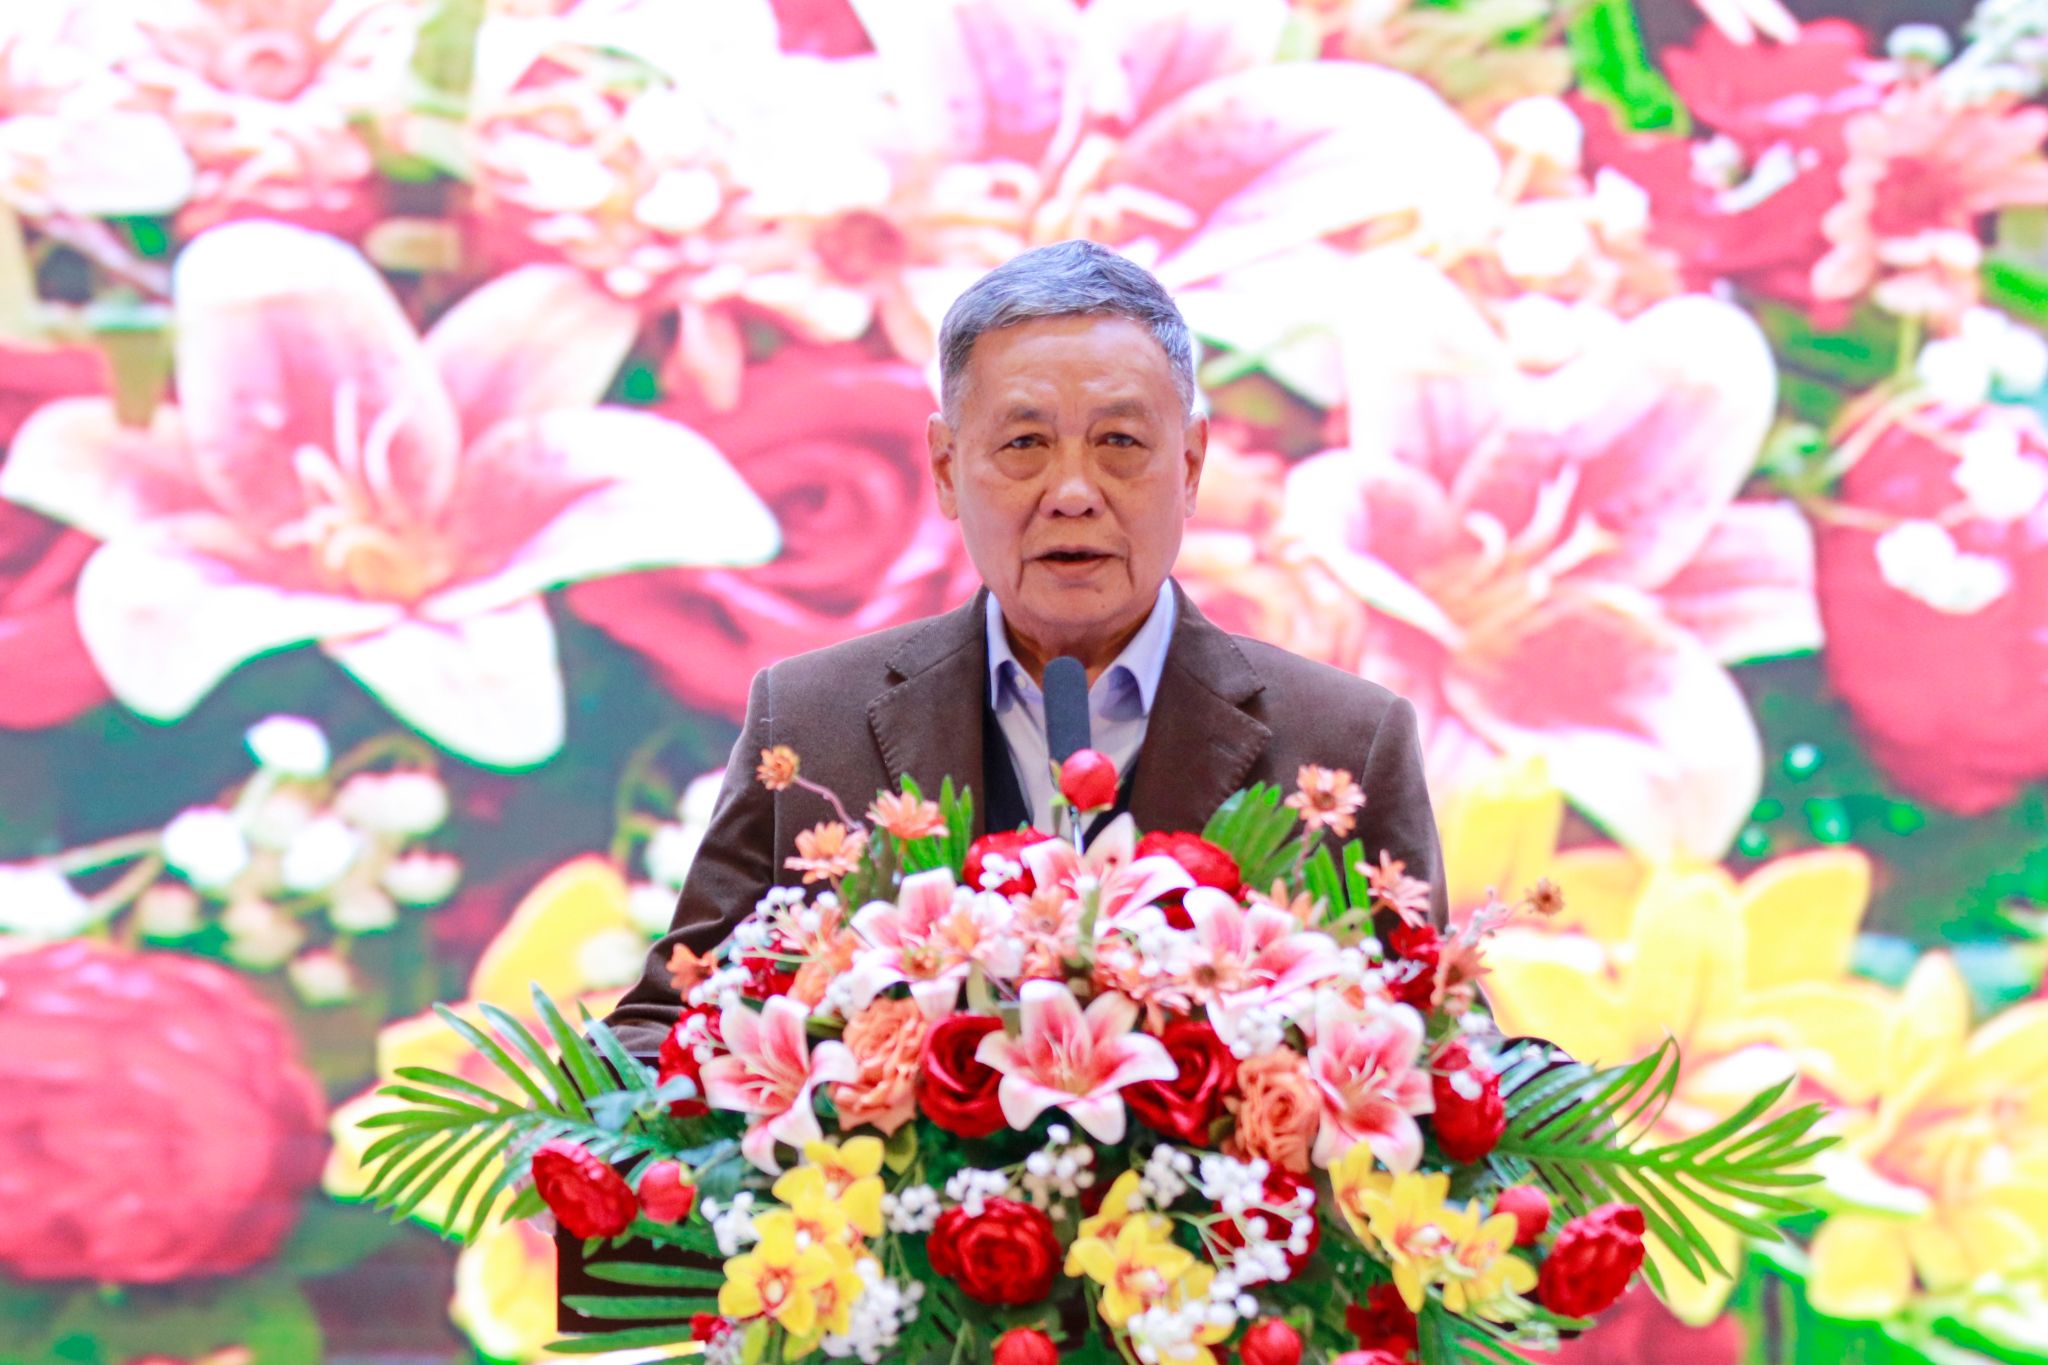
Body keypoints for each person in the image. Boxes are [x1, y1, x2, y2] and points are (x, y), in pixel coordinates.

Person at [603, 239, 1445, 1059]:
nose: (1073, 492)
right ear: (945, 468)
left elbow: (1441, 1052)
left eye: (1120, 443)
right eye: (1024, 445)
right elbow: (660, 1031)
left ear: (1190, 466)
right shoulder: (811, 719)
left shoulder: (1346, 742)